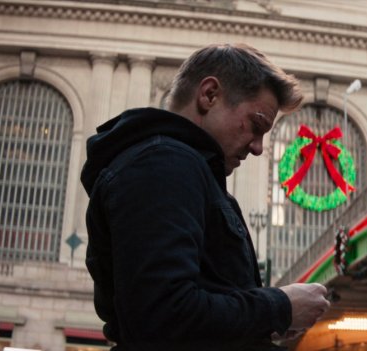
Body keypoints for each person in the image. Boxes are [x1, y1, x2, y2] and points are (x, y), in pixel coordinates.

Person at [81, 43, 330, 350]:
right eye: (256, 125)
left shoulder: (183, 170)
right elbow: (162, 316)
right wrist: (279, 306)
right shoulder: (163, 166)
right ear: (209, 95)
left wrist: (264, 324)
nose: (258, 147)